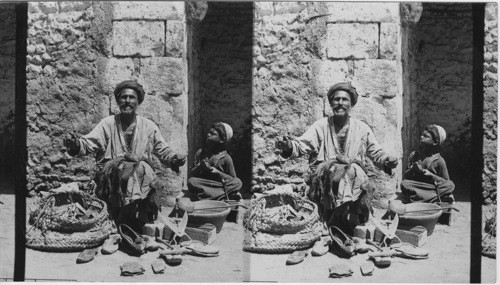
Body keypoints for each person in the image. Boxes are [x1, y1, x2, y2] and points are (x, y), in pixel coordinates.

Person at [64, 80, 187, 230]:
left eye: (132, 97)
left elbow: (163, 150)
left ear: (138, 102)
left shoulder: (148, 126)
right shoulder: (107, 124)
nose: (127, 101)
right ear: (118, 101)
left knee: (140, 168)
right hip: (112, 177)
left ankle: (131, 216)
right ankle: (128, 218)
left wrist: (174, 158)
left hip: (141, 174)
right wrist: (76, 144)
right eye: (123, 97)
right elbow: (88, 143)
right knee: (129, 168)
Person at [275, 82, 398, 232]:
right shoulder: (320, 126)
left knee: (352, 171)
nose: (340, 103)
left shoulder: (361, 128)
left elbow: (376, 152)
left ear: (351, 104)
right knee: (342, 171)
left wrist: (387, 160)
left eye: (344, 100)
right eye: (336, 99)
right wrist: (288, 146)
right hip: (326, 178)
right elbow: (302, 144)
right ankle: (339, 221)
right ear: (331, 103)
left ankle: (344, 219)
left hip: (355, 178)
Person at [400, 124, 455, 203]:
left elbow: (446, 181)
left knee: (451, 185)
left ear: (435, 142)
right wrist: (412, 170)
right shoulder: (413, 155)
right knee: (404, 184)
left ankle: (418, 198)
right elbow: (406, 177)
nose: (421, 137)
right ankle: (433, 198)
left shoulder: (439, 160)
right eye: (422, 135)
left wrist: (431, 175)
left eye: (425, 136)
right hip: (417, 186)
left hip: (431, 188)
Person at [188, 122, 242, 200]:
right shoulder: (200, 153)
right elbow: (192, 174)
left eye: (212, 134)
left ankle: (206, 196)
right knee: (191, 181)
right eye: (209, 132)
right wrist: (199, 167)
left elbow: (232, 179)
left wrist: (218, 173)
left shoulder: (226, 158)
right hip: (204, 184)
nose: (208, 135)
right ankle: (221, 196)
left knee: (238, 183)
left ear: (222, 140)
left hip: (218, 186)